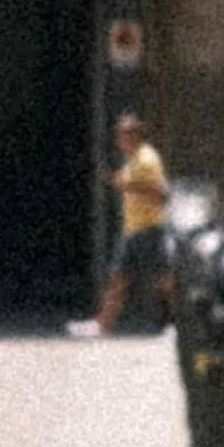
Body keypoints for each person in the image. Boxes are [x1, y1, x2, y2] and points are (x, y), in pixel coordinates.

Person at [81, 113, 174, 335]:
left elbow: (161, 192)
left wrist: (127, 184)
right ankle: (102, 324)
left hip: (150, 227)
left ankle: (178, 323)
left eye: (122, 135)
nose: (118, 140)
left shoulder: (147, 158)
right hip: (133, 228)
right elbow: (127, 183)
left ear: (134, 136)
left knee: (164, 279)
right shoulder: (133, 159)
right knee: (118, 278)